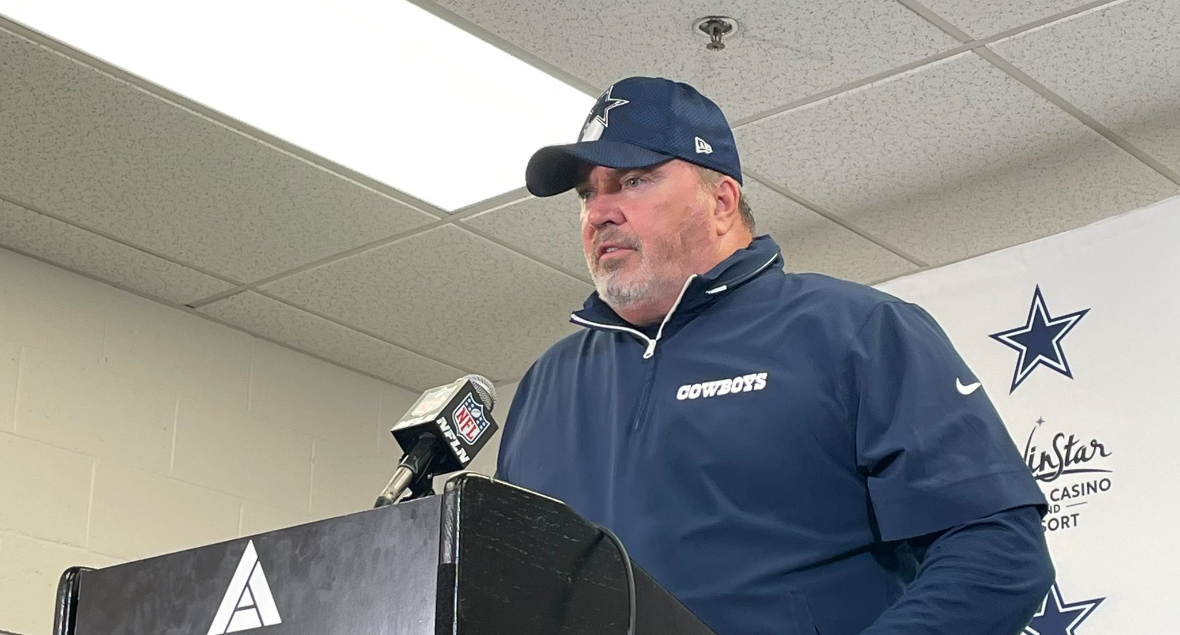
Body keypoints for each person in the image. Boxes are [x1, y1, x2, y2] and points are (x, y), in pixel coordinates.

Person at [495, 76, 1054, 635]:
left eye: (634, 181)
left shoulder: (854, 330)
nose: (599, 214)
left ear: (721, 202)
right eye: (589, 194)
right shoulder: (548, 384)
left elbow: (998, 552)